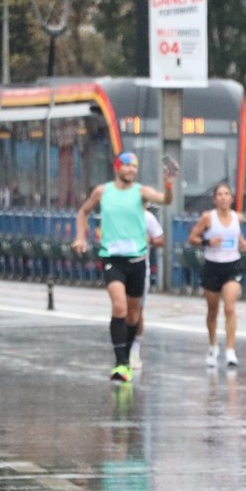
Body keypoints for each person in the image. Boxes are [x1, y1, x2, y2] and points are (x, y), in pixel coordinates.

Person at [72, 151, 176, 383]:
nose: (131, 170)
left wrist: (169, 185)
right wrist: (81, 237)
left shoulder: (141, 192)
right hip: (112, 259)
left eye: (134, 167)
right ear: (117, 167)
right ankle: (120, 363)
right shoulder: (103, 191)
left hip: (137, 260)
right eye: (127, 166)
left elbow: (166, 200)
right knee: (118, 307)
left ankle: (127, 358)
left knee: (133, 315)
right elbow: (83, 212)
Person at [187, 183, 246, 368]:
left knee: (230, 307)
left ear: (231, 198)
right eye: (220, 195)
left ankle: (230, 350)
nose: (223, 198)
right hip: (212, 266)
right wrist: (208, 241)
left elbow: (238, 237)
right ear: (215, 199)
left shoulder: (238, 217)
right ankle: (213, 345)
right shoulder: (208, 218)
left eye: (226, 194)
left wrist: (243, 244)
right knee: (213, 310)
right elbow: (192, 238)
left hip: (232, 265)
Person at [129, 208, 167, 370]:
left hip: (140, 268)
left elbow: (161, 240)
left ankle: (135, 349)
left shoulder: (147, 217)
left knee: (137, 311)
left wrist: (149, 240)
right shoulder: (118, 215)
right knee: (120, 309)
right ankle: (122, 349)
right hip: (118, 267)